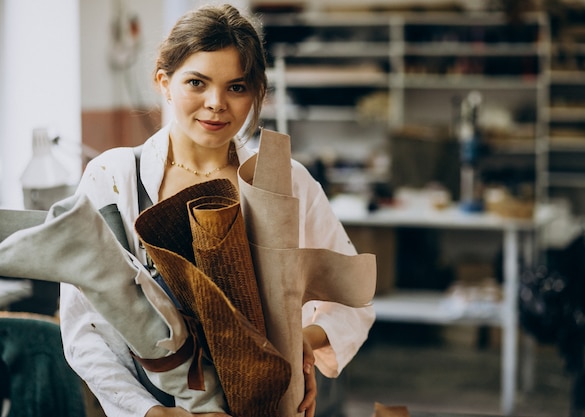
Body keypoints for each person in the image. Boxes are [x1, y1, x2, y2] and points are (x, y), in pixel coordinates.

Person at [58, 4, 375, 417]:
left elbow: (354, 298)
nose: (216, 103)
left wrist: (306, 340)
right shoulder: (113, 178)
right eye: (197, 82)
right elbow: (84, 327)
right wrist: (148, 412)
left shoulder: (285, 180)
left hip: (268, 405)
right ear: (164, 82)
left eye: (237, 87)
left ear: (257, 92)